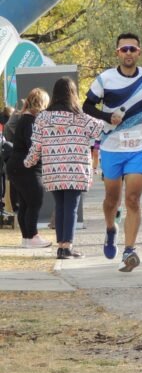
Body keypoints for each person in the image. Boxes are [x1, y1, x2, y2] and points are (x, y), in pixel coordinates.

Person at [83, 32, 142, 272]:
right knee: (112, 199)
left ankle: (129, 250)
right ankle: (110, 229)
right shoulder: (105, 79)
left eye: (132, 49)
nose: (128, 53)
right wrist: (107, 116)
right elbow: (86, 105)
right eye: (124, 49)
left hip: (139, 145)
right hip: (111, 146)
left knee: (133, 199)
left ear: (139, 52)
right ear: (117, 53)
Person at [24, 77, 103, 258]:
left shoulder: (43, 117)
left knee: (60, 207)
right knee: (71, 208)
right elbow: (100, 129)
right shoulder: (81, 117)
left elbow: (36, 146)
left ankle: (61, 246)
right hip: (75, 171)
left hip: (53, 171)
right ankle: (67, 247)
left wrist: (27, 162)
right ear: (73, 94)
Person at [6, 89, 51, 248]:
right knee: (35, 201)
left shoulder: (23, 119)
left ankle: (27, 238)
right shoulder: (30, 121)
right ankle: (32, 236)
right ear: (42, 104)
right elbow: (33, 146)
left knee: (25, 203)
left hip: (16, 166)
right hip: (26, 168)